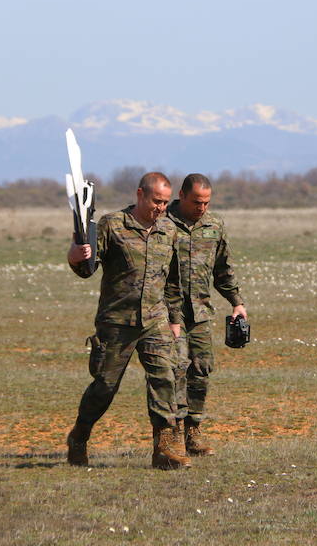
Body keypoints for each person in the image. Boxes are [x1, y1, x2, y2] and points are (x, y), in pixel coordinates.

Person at [65, 172, 190, 470]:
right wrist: (74, 256)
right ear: (140, 194)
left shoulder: (169, 230)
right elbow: (86, 269)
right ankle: (79, 436)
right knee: (105, 386)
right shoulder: (112, 224)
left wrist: (174, 320)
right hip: (116, 322)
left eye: (165, 202)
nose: (161, 207)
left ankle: (164, 449)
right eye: (156, 201)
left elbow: (172, 280)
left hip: (155, 320)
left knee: (164, 379)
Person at [166, 173, 246, 456]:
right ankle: (174, 432)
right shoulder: (162, 222)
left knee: (201, 369)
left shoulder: (214, 225)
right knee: (176, 370)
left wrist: (236, 302)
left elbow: (223, 268)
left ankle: (193, 431)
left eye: (206, 203)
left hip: (200, 312)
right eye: (196, 202)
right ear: (182, 196)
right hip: (169, 313)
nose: (202, 208)